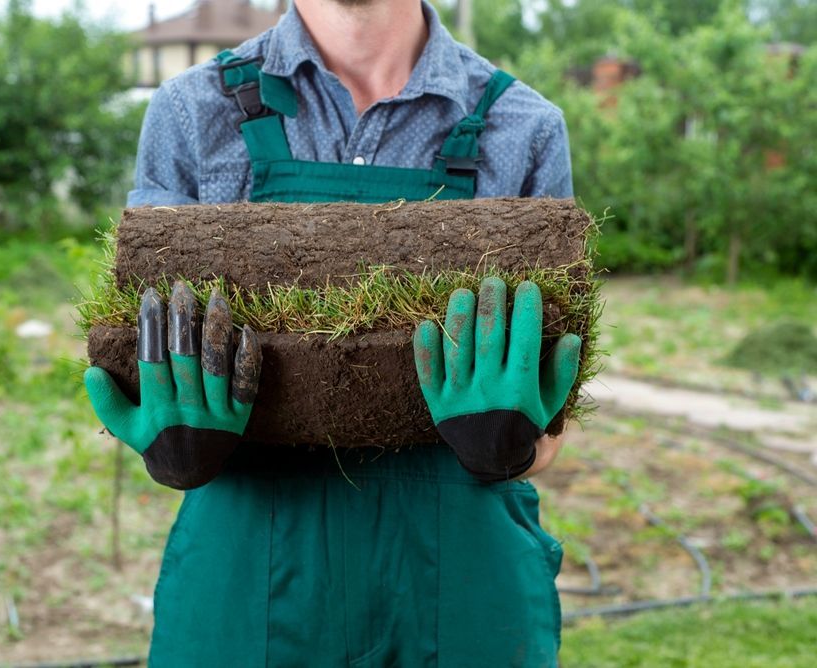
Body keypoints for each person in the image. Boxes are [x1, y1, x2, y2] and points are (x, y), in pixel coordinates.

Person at [88, 0, 579, 665]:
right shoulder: (191, 114)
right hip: (249, 584)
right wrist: (171, 447)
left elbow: (554, 426)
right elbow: (146, 362)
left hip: (458, 582)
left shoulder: (523, 129)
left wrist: (513, 446)